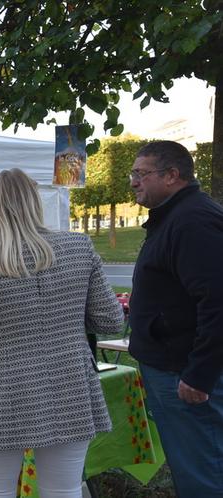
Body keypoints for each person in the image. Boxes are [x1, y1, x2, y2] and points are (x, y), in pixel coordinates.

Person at [0, 169, 124, 498]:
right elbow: (110, 321)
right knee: (64, 491)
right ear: (35, 203)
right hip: (70, 386)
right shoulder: (79, 248)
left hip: (2, 394)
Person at [127, 141, 223, 497]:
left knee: (204, 469)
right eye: (132, 174)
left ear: (172, 175)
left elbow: (218, 302)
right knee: (193, 465)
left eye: (141, 174)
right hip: (173, 366)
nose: (134, 182)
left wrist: (199, 375)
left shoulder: (192, 221)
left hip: (186, 374)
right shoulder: (175, 217)